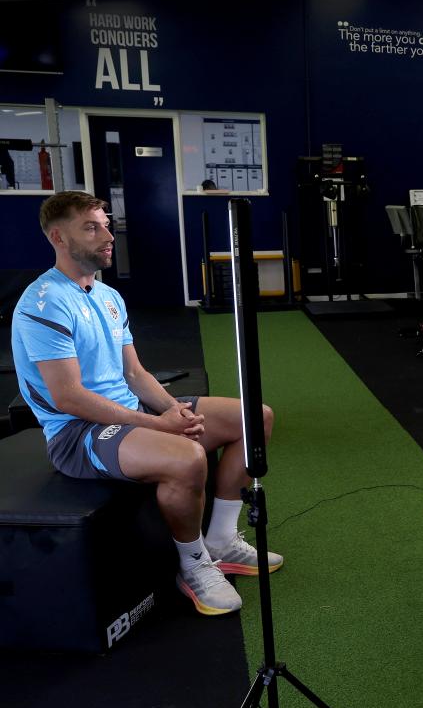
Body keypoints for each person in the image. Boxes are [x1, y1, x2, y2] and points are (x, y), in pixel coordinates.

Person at [9, 190, 283, 617]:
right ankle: (193, 565)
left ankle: (222, 539)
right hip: (77, 432)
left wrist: (176, 411)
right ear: (58, 237)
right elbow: (69, 397)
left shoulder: (107, 296)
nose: (108, 236)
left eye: (106, 225)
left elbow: (135, 374)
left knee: (254, 418)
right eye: (91, 228)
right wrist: (159, 425)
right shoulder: (42, 303)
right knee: (187, 458)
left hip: (127, 414)